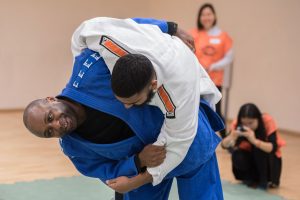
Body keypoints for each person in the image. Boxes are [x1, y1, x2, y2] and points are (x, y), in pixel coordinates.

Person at [24, 17, 224, 200]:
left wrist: (170, 28)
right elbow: (106, 171)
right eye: (49, 132)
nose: (57, 125)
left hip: (189, 145)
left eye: (50, 117)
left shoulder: (91, 71)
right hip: (144, 165)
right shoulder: (74, 147)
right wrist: (137, 162)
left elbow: (122, 29)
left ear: (50, 100)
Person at [190, 3, 233, 138]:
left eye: (209, 14)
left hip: (214, 81)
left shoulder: (223, 36)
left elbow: (229, 57)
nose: (206, 17)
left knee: (216, 110)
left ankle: (225, 138)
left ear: (214, 16)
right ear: (199, 17)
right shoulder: (193, 33)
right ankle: (198, 136)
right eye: (203, 14)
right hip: (195, 79)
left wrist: (214, 66)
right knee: (194, 108)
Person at [221, 103, 285, 189]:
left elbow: (272, 148)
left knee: (259, 150)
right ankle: (249, 179)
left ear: (258, 119)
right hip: (249, 161)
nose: (247, 127)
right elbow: (223, 145)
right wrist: (232, 136)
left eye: (251, 123)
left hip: (268, 162)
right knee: (237, 155)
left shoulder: (267, 120)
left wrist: (254, 141)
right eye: (244, 123)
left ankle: (264, 180)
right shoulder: (238, 123)